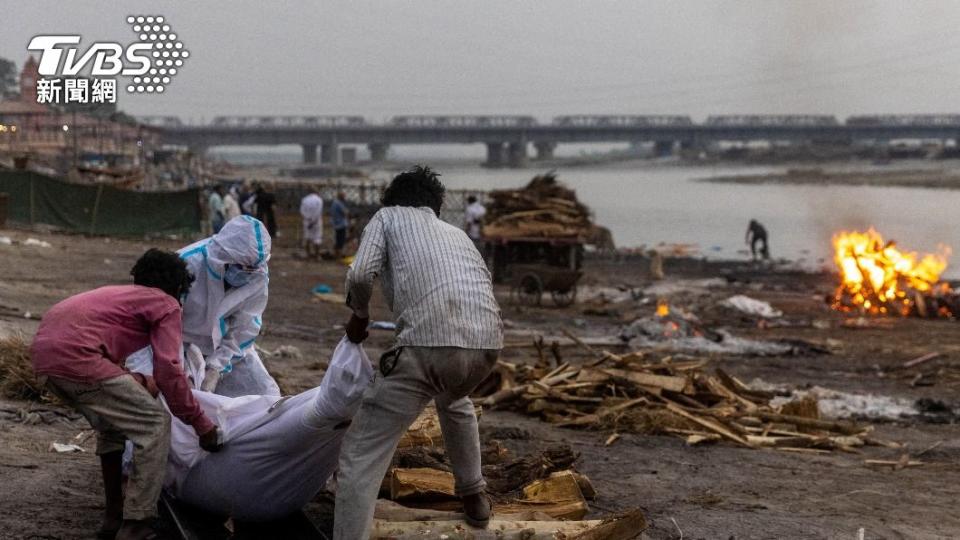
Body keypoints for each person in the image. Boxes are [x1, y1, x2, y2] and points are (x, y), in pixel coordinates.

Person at [335, 165, 503, 538]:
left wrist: (359, 315)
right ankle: (474, 494)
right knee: (454, 400)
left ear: (393, 199)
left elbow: (361, 274)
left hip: (428, 345)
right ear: (435, 207)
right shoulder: (457, 234)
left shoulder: (387, 217)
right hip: (486, 346)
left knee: (359, 459)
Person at [30, 249, 222, 540]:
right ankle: (137, 523)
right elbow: (170, 369)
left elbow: (111, 365)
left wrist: (139, 382)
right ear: (179, 288)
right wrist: (202, 425)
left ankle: (113, 516)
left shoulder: (118, 297)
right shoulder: (166, 303)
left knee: (112, 426)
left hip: (45, 361)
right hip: (79, 359)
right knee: (155, 426)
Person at [178, 215, 280, 397]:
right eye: (240, 267)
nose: (245, 273)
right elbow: (165, 322)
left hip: (224, 348)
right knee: (182, 398)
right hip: (179, 343)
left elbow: (244, 328)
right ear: (224, 256)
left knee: (265, 395)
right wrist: (182, 368)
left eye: (251, 269)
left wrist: (217, 368)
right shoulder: (186, 265)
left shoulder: (257, 275)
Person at [300, 189, 324, 260]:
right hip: (316, 221)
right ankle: (317, 255)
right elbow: (318, 211)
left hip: (307, 221)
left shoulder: (304, 200)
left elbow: (302, 211)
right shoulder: (319, 200)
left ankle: (308, 255)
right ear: (316, 192)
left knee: (307, 237)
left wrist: (308, 218)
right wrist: (313, 220)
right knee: (317, 238)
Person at [330, 191, 350, 257]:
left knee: (337, 239)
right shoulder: (339, 203)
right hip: (341, 224)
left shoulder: (334, 203)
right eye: (344, 196)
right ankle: (339, 255)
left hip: (336, 224)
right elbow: (345, 212)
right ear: (341, 196)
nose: (345, 197)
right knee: (341, 240)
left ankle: (336, 254)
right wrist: (347, 211)